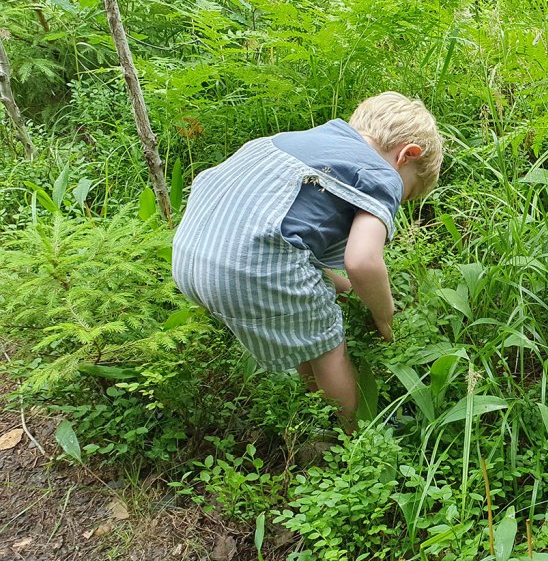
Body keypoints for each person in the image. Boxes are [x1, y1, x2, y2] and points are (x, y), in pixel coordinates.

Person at [171, 92, 443, 431]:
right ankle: (356, 438)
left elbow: (289, 237)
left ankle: (316, 412)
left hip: (191, 256)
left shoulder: (296, 142)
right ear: (407, 155)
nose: (399, 200)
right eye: (409, 192)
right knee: (329, 345)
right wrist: (384, 317)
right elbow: (361, 261)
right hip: (254, 266)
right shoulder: (381, 172)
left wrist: (348, 293)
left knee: (306, 320)